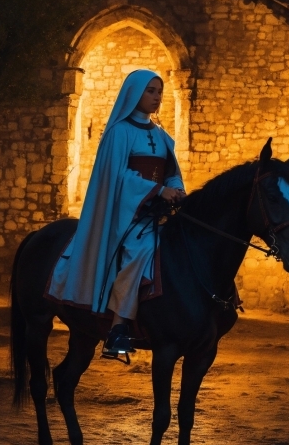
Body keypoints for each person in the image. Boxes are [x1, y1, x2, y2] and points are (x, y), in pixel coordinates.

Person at [46, 69, 185, 357]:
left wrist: (175, 189)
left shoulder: (162, 137)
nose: (156, 96)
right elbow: (117, 177)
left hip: (157, 213)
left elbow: (171, 174)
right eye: (150, 91)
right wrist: (157, 191)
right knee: (141, 249)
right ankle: (119, 328)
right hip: (125, 214)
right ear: (133, 93)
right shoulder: (119, 133)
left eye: (159, 91)